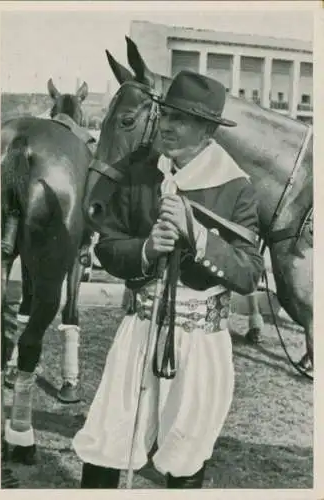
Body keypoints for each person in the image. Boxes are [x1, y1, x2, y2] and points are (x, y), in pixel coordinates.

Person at [72, 70, 264, 489]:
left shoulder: (236, 188)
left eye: (183, 120)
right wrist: (145, 249)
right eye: (167, 115)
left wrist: (198, 237)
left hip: (201, 344)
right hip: (139, 331)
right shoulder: (140, 171)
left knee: (184, 455)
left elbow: (250, 273)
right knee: (108, 441)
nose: (169, 126)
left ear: (209, 130)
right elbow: (108, 245)